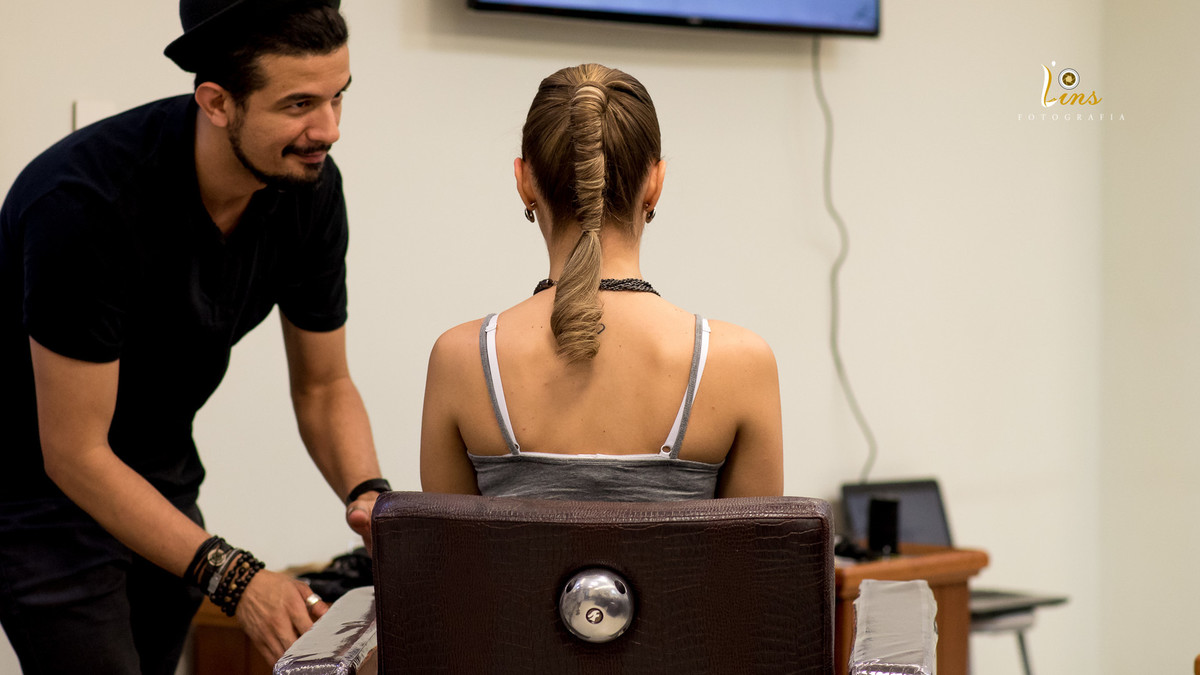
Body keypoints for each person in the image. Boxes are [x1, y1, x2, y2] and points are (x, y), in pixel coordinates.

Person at [0, 1, 391, 672]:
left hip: (162, 475)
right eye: (299, 104)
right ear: (216, 102)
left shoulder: (307, 190)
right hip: (40, 495)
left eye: (337, 98)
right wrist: (235, 579)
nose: (326, 130)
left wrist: (373, 501)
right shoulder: (81, 202)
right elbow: (73, 453)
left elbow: (325, 385)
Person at [420, 63, 784, 501]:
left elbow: (449, 564)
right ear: (655, 183)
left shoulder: (460, 361)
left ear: (523, 182)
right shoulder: (740, 364)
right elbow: (754, 566)